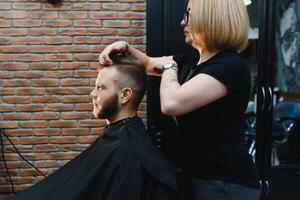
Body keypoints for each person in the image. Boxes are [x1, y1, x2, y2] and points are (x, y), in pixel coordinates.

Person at [99, 0, 261, 199]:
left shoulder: (230, 66)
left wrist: (169, 67)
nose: (182, 22)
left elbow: (172, 103)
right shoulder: (191, 61)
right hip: (198, 175)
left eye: (188, 15)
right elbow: (149, 64)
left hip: (226, 183)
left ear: (210, 19)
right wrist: (125, 48)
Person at [8, 54, 178, 200]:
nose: (92, 94)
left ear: (125, 95)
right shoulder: (120, 138)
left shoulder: (126, 150)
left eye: (100, 87)